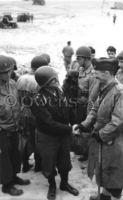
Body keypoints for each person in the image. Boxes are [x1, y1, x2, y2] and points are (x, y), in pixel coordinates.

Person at [73, 58, 123, 200]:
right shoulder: (104, 86)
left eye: (98, 73)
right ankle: (105, 195)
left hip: (115, 138)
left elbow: (120, 120)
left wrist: (102, 134)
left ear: (107, 73)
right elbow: (95, 108)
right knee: (103, 166)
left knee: (115, 169)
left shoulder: (120, 91)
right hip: (103, 134)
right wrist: (84, 124)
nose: (95, 75)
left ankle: (113, 196)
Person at [31, 66, 79, 200]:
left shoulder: (60, 92)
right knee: (49, 162)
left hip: (62, 134)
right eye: (54, 78)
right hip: (48, 136)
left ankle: (64, 184)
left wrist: (74, 122)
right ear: (48, 82)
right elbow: (49, 123)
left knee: (65, 161)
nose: (57, 80)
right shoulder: (38, 99)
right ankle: (52, 185)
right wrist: (70, 129)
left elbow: (69, 109)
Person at [0, 55, 30, 196]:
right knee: (4, 159)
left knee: (15, 155)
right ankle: (7, 184)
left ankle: (14, 177)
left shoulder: (12, 83)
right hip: (2, 131)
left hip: (14, 127)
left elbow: (16, 103)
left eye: (10, 70)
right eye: (5, 72)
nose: (9, 74)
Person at [17, 55, 48, 172]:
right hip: (36, 114)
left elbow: (16, 97)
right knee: (38, 139)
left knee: (24, 138)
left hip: (22, 111)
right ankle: (38, 165)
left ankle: (24, 164)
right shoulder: (40, 80)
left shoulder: (21, 78)